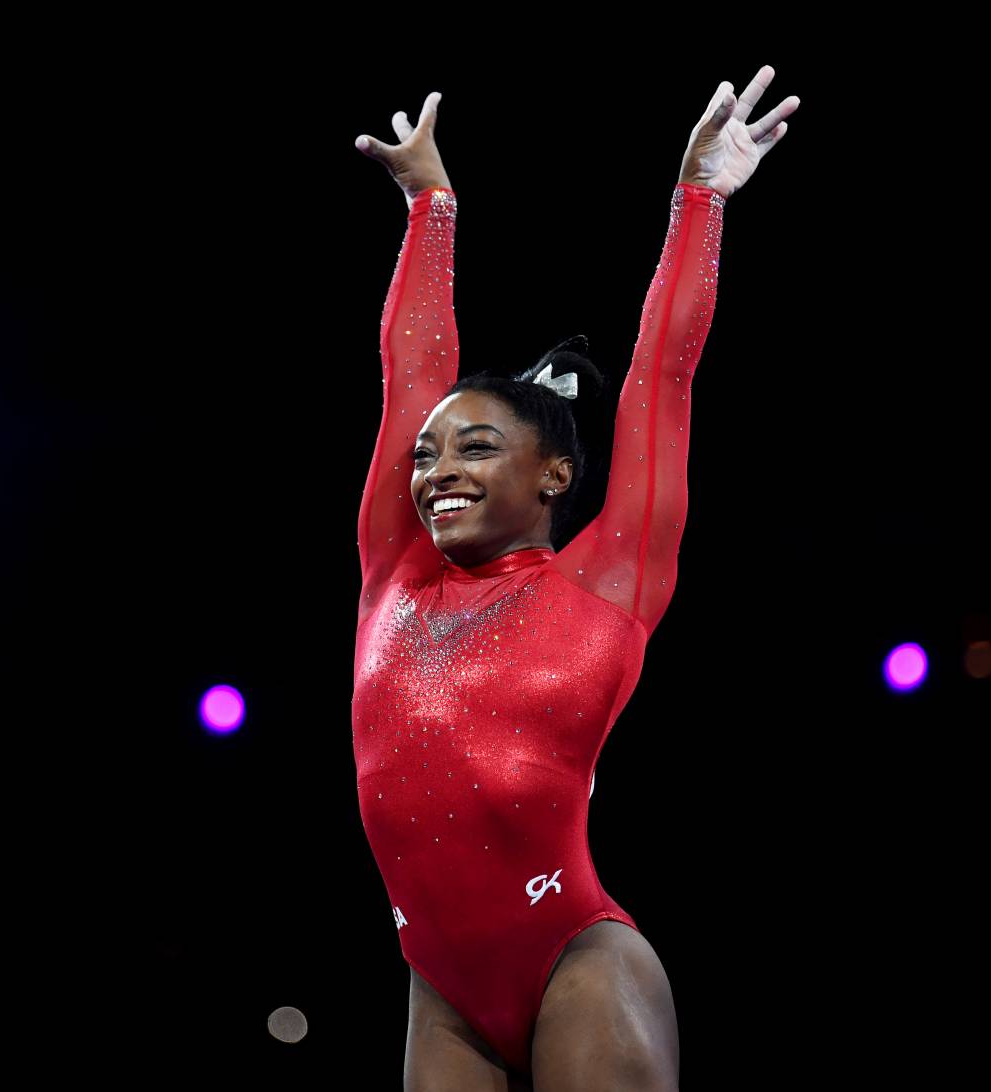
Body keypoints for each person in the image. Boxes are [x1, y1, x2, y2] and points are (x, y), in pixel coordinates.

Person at [352, 70, 799, 1090]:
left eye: (473, 449)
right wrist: (431, 204)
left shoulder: (608, 581)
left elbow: (665, 377)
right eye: (425, 457)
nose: (437, 472)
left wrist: (702, 201)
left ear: (553, 473)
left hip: (574, 962)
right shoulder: (394, 570)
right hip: (441, 989)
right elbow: (409, 377)